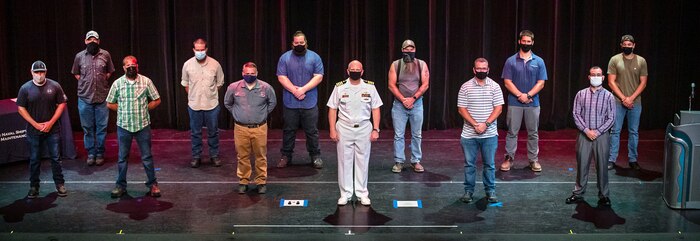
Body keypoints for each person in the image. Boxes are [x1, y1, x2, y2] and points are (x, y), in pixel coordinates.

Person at [327, 60, 382, 206]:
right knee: (344, 161)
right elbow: (332, 108)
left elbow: (375, 108)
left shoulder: (370, 87)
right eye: (353, 69)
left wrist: (376, 129)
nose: (355, 71)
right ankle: (345, 194)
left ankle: (362, 193)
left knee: (363, 161)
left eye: (358, 69)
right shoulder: (340, 87)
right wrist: (332, 129)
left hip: (364, 128)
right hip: (344, 128)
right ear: (347, 71)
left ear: (362, 71)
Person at [106, 56, 161, 198]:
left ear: (137, 66)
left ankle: (153, 185)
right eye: (128, 65)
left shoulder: (145, 81)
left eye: (133, 65)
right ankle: (120, 186)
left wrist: (145, 108)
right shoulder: (118, 84)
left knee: (147, 157)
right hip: (124, 126)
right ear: (124, 68)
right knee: (122, 158)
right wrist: (123, 109)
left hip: (142, 125)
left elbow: (157, 99)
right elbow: (109, 103)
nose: (131, 67)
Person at [17, 61, 68, 199]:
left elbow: (62, 104)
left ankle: (60, 184)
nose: (40, 75)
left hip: (53, 129)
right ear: (31, 72)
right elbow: (21, 108)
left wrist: (51, 123)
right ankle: (34, 186)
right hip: (34, 130)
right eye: (37, 72)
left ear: (45, 72)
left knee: (56, 158)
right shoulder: (25, 88)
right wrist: (35, 124)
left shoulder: (55, 86)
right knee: (34, 159)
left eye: (42, 72)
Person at [224, 62, 277, 194]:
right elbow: (227, 103)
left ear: (257, 73)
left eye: (252, 74)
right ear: (242, 73)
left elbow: (272, 103)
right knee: (242, 156)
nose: (249, 76)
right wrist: (238, 114)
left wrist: (262, 114)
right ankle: (243, 181)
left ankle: (261, 181)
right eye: (247, 74)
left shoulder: (266, 88)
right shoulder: (233, 87)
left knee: (260, 155)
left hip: (259, 128)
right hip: (241, 128)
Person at [457, 58, 504, 204]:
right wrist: (476, 124)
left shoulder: (495, 87)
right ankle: (468, 192)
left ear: (488, 70)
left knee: (489, 165)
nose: (481, 71)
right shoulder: (465, 87)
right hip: (469, 135)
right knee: (469, 165)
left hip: (489, 134)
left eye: (484, 69)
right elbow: (461, 109)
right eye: (479, 68)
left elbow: (498, 108)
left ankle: (490, 191)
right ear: (474, 69)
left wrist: (486, 124)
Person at [567, 66, 615, 206]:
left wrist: (598, 132)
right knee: (582, 165)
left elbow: (611, 118)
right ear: (588, 77)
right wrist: (586, 130)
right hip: (584, 135)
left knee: (602, 166)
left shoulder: (608, 96)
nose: (595, 77)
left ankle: (604, 195)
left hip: (602, 136)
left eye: (598, 74)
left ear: (603, 77)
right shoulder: (581, 94)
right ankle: (578, 193)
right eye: (593, 74)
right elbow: (576, 114)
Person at [276, 30, 325, 169]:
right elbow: (281, 77)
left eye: (301, 43)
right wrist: (294, 91)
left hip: (309, 102)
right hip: (290, 102)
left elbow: (319, 76)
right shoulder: (284, 58)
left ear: (305, 43)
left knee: (312, 131)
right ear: (292, 43)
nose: (299, 45)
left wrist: (302, 90)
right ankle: (286, 156)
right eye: (296, 43)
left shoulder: (314, 57)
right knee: (288, 130)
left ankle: (315, 156)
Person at [500, 30, 548, 172]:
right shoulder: (511, 61)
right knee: (512, 132)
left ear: (532, 42)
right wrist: (520, 95)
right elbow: (507, 82)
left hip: (533, 103)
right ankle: (509, 159)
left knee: (533, 133)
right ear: (519, 41)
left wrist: (528, 95)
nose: (526, 43)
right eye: (524, 41)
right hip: (515, 103)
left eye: (529, 41)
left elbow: (541, 83)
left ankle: (533, 160)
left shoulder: (539, 61)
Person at [71, 30, 115, 166]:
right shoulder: (79, 56)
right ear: (85, 41)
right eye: (89, 40)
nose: (92, 42)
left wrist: (100, 80)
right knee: (88, 128)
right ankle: (91, 153)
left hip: (102, 97)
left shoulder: (105, 54)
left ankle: (100, 153)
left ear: (98, 41)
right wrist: (86, 82)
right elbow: (76, 74)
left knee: (101, 128)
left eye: (94, 40)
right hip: (85, 98)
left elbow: (109, 71)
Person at [387, 39, 430, 173]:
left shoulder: (421, 64)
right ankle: (399, 161)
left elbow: (425, 84)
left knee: (417, 134)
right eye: (406, 49)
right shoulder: (396, 65)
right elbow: (391, 85)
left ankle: (415, 161)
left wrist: (413, 99)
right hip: (399, 105)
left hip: (417, 104)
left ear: (415, 50)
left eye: (411, 49)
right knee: (399, 135)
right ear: (402, 50)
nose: (409, 51)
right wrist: (403, 99)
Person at [181, 38, 225, 168]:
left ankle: (214, 155)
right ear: (193, 50)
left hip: (211, 104)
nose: (200, 52)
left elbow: (219, 83)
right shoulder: (187, 64)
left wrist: (210, 94)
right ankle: (196, 156)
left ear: (206, 49)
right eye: (197, 50)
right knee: (195, 132)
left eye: (202, 49)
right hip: (194, 105)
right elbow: (185, 83)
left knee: (213, 132)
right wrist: (193, 96)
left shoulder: (215, 64)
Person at [607, 34, 648, 170]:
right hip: (618, 102)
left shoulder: (641, 61)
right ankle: (612, 159)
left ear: (634, 45)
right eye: (625, 45)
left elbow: (643, 83)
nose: (627, 46)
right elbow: (611, 82)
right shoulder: (615, 60)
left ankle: (633, 159)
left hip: (635, 102)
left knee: (633, 131)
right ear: (621, 45)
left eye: (629, 45)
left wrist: (631, 98)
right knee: (615, 131)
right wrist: (624, 98)